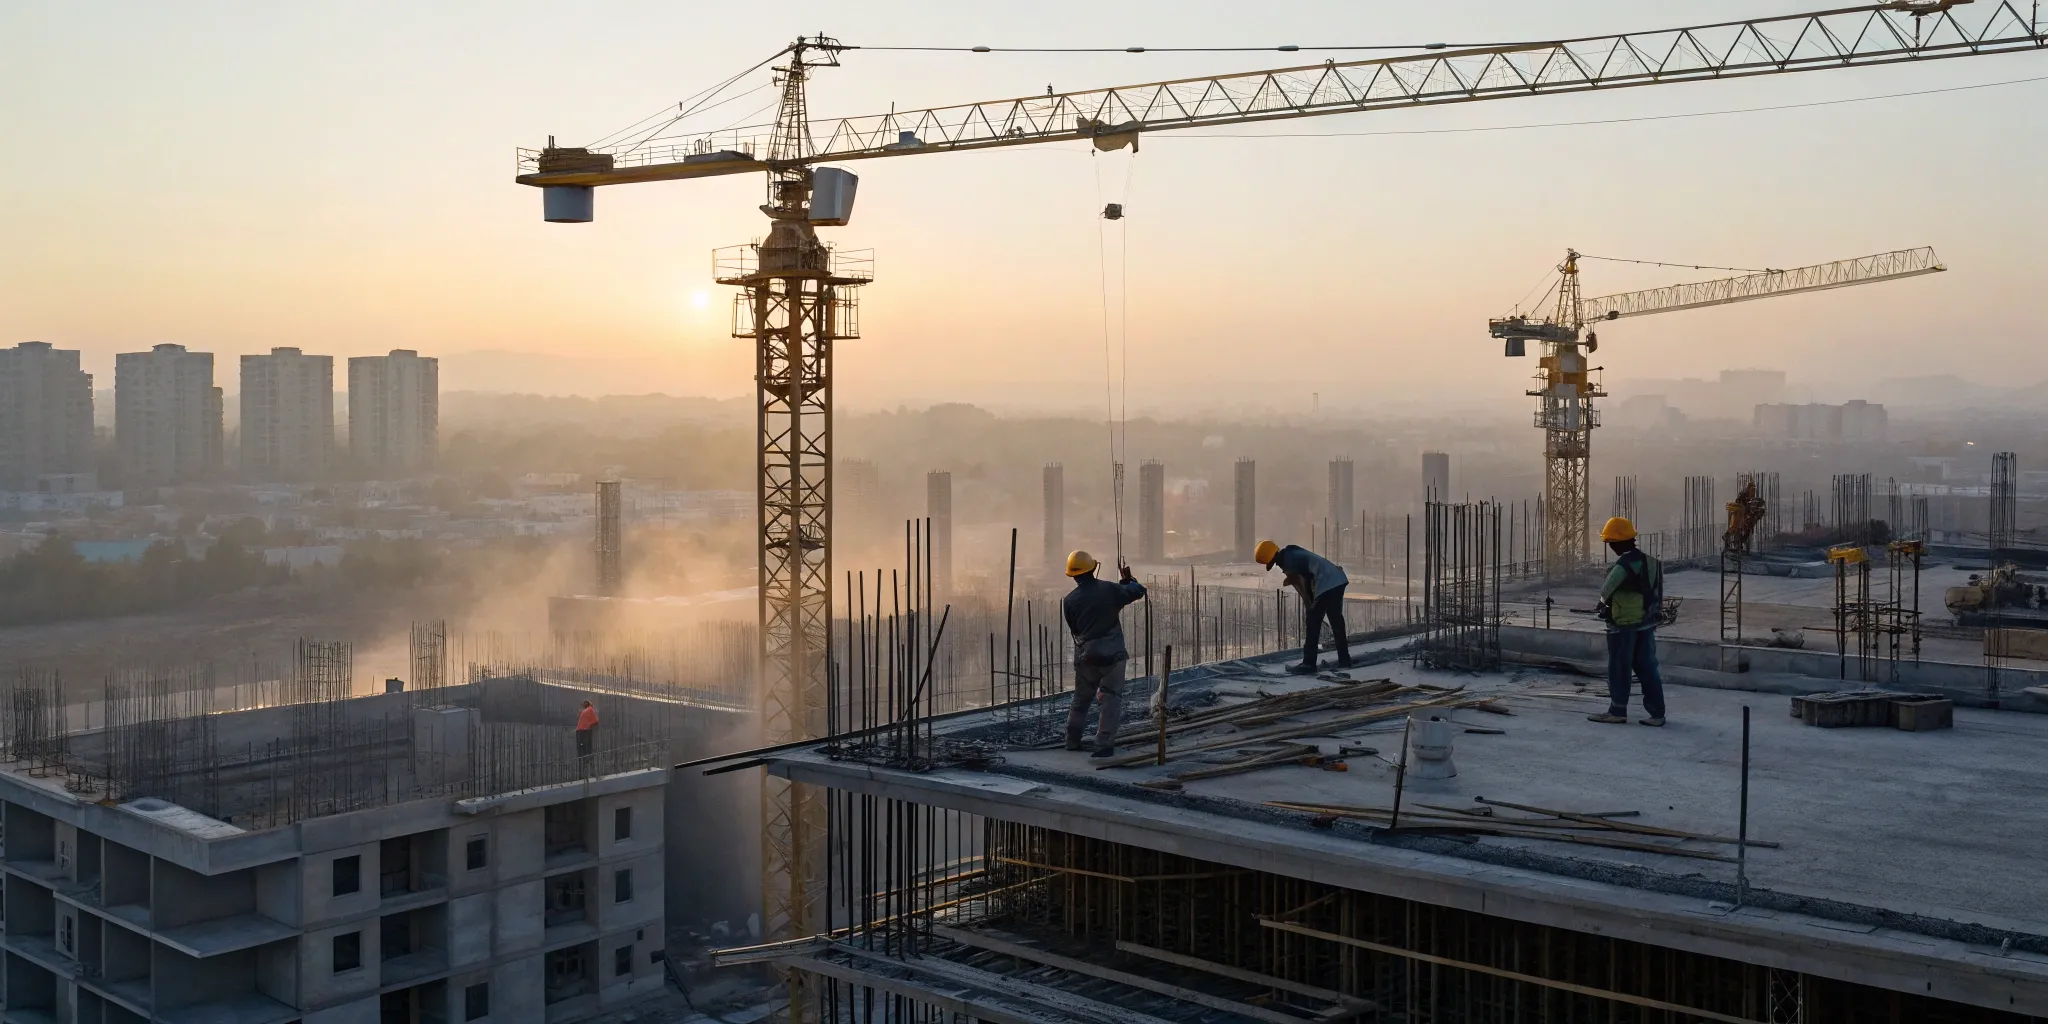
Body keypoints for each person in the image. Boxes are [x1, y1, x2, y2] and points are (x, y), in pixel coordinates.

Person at [1061, 549, 1148, 757]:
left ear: (1073, 575)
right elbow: (1138, 591)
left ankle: (1072, 741)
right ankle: (1103, 745)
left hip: (1086, 656)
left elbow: (1075, 628)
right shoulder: (1110, 590)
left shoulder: (1069, 600)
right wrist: (1129, 581)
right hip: (1112, 656)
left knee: (1080, 701)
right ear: (1093, 569)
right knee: (1110, 699)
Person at [1590, 517, 1667, 726]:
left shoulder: (1623, 565)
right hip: (1646, 622)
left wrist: (1601, 605)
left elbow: (1606, 590)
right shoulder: (1651, 562)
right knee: (1648, 667)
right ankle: (1657, 714)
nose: (1611, 547)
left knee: (1619, 668)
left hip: (1622, 625)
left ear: (1621, 542)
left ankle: (1617, 711)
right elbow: (1658, 590)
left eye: (1612, 543)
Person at [1255, 539, 1353, 675]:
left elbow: (1304, 586)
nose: (1278, 566)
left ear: (1275, 558)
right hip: (1337, 579)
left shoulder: (1289, 562)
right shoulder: (1292, 554)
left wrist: (1310, 606)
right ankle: (1344, 661)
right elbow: (1307, 576)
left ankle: (1308, 664)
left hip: (1326, 583)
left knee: (1313, 624)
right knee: (1336, 622)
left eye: (1275, 563)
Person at [576, 699, 600, 768]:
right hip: (585, 731)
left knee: (581, 751)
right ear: (590, 705)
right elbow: (596, 721)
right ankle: (588, 762)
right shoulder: (590, 709)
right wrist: (590, 725)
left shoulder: (584, 711)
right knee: (588, 750)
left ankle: (583, 766)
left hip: (579, 732)